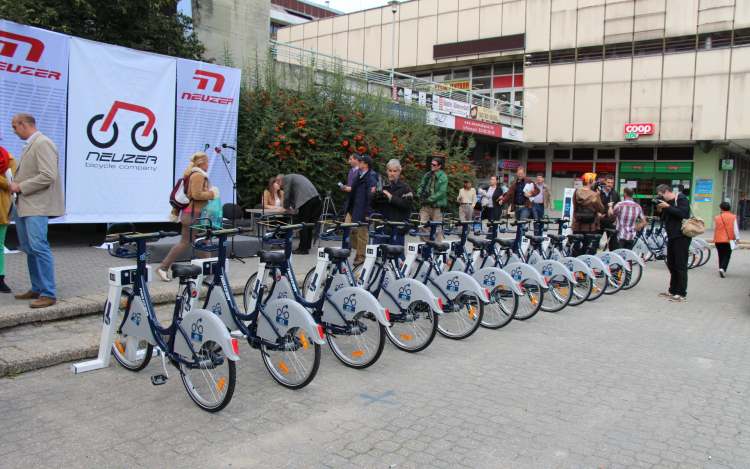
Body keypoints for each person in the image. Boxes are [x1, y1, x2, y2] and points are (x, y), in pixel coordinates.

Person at [9, 113, 65, 308]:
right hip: (24, 205)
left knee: (39, 248)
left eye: (15, 127)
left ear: (24, 125)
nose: (14, 131)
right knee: (29, 248)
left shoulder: (42, 143)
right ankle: (37, 287)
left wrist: (19, 186)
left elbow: (48, 175)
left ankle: (48, 293)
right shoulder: (33, 143)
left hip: (35, 205)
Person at [158, 152, 219, 281]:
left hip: (197, 215)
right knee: (186, 243)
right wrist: (212, 194)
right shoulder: (198, 175)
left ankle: (210, 272)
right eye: (207, 162)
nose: (208, 165)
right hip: (193, 215)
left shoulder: (195, 174)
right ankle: (163, 268)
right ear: (202, 164)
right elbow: (197, 195)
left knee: (204, 241)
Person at [655, 184, 691, 302]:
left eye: (661, 195)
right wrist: (660, 209)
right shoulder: (667, 203)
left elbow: (683, 213)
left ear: (666, 191)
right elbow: (664, 218)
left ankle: (681, 293)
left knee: (680, 266)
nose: (661, 198)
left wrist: (668, 206)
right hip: (671, 236)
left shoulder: (681, 198)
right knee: (671, 264)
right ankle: (672, 290)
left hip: (682, 236)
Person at [369, 159, 413, 246]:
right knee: (377, 256)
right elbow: (372, 205)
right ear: (386, 171)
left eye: (394, 171)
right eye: (390, 170)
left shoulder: (405, 187)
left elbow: (407, 205)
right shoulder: (380, 185)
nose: (392, 173)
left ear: (399, 171)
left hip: (397, 228)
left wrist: (390, 197)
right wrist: (373, 195)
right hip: (381, 226)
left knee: (396, 256)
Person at [345, 155, 377, 264]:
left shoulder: (371, 177)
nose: (358, 162)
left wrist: (369, 212)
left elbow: (371, 196)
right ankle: (360, 251)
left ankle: (362, 257)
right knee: (348, 230)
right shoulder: (358, 175)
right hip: (353, 207)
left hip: (363, 209)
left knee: (362, 234)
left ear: (366, 164)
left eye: (361, 161)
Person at [278, 173, 321, 255]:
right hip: (315, 198)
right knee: (308, 224)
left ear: (280, 179)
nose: (280, 186)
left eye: (280, 184)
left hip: (306, 201)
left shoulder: (285, 178)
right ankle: (307, 246)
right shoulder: (295, 177)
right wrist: (293, 207)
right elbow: (300, 194)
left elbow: (286, 194)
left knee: (303, 224)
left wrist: (285, 207)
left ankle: (303, 249)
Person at [571, 173, 605, 256]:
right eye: (594, 180)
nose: (595, 182)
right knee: (589, 252)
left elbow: (575, 206)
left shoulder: (576, 193)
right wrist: (598, 195)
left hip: (577, 225)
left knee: (576, 250)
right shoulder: (594, 195)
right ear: (590, 181)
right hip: (590, 227)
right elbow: (601, 209)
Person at [417, 156, 448, 242]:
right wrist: (419, 194)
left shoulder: (443, 177)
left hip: (437, 205)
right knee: (421, 224)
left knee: (437, 229)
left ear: (439, 166)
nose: (432, 166)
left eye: (434, 164)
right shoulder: (427, 175)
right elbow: (421, 186)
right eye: (431, 164)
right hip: (425, 205)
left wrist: (429, 199)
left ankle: (436, 249)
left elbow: (441, 193)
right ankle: (428, 245)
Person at [608, 186, 646, 250]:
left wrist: (610, 206)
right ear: (633, 194)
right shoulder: (638, 206)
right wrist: (633, 229)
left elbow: (610, 215)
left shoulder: (620, 205)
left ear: (625, 193)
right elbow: (644, 222)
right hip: (631, 237)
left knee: (619, 257)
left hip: (620, 236)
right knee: (628, 257)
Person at [0, 146, 16, 293]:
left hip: (0, 208)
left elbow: (10, 184)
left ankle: (0, 279)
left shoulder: (8, 158)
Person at [713, 201, 739, 278]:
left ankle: (721, 268)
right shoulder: (733, 217)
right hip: (728, 239)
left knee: (720, 254)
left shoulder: (717, 217)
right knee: (727, 255)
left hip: (718, 239)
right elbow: (735, 229)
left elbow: (715, 228)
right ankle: (723, 269)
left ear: (721, 209)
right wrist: (737, 238)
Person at [598, 173, 621, 249]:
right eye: (608, 182)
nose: (610, 184)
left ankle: (613, 258)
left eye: (612, 183)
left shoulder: (615, 193)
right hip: (600, 220)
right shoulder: (599, 193)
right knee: (595, 240)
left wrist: (617, 219)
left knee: (613, 243)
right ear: (605, 182)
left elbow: (619, 208)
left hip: (611, 220)